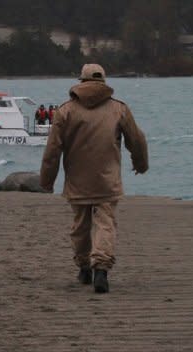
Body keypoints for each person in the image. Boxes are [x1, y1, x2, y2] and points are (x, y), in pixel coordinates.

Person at [39, 63, 148, 294]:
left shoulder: (65, 111)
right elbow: (136, 140)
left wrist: (47, 181)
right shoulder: (119, 109)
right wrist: (140, 164)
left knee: (80, 226)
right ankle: (101, 269)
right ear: (104, 81)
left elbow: (53, 150)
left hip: (77, 180)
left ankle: (84, 267)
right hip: (107, 180)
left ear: (81, 81)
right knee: (105, 224)